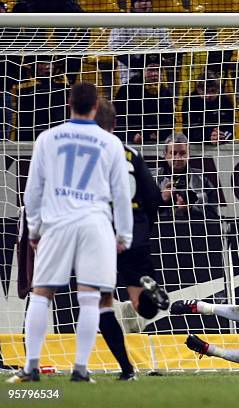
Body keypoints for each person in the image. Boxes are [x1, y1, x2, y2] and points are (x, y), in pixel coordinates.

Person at [7, 82, 133, 383]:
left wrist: (34, 230)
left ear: (69, 104)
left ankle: (31, 367)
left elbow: (32, 191)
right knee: (90, 298)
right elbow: (121, 194)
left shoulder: (48, 139)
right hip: (95, 223)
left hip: (57, 221)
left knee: (42, 293)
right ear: (95, 108)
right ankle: (80, 369)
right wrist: (123, 237)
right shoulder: (110, 143)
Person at [94, 97, 168, 381]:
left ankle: (127, 369)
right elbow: (152, 196)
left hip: (100, 232)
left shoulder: (86, 153)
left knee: (100, 302)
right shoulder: (130, 153)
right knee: (142, 309)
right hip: (135, 233)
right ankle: (149, 291)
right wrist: (144, 229)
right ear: (115, 124)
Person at [108, 1, 174, 85]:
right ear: (132, 5)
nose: (144, 4)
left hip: (155, 76)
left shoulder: (158, 22)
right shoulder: (123, 21)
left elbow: (166, 45)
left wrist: (172, 55)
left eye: (147, 1)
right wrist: (136, 64)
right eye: (140, 1)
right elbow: (115, 46)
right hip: (130, 77)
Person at [157, 133, 220, 219]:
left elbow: (213, 215)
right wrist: (162, 199)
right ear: (165, 155)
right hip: (161, 231)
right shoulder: (153, 179)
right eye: (173, 153)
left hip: (194, 231)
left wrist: (189, 209)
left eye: (182, 153)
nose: (178, 158)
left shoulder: (202, 179)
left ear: (189, 154)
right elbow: (140, 214)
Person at [113, 57, 174, 144]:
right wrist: (131, 136)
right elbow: (118, 120)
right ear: (142, 71)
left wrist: (161, 135)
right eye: (150, 70)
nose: (154, 74)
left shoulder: (165, 93)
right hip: (129, 142)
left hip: (157, 142)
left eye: (158, 69)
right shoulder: (126, 91)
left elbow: (169, 122)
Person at [14, 57, 70, 141]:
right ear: (35, 65)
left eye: (50, 63)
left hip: (57, 132)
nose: (47, 67)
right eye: (42, 63)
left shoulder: (62, 84)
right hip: (31, 132)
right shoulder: (24, 85)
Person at [181, 71, 234, 144]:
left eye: (212, 91)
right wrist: (209, 137)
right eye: (204, 91)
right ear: (198, 89)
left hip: (221, 145)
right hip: (197, 147)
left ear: (218, 89)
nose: (208, 95)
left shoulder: (225, 102)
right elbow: (188, 132)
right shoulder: (189, 102)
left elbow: (231, 129)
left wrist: (222, 136)